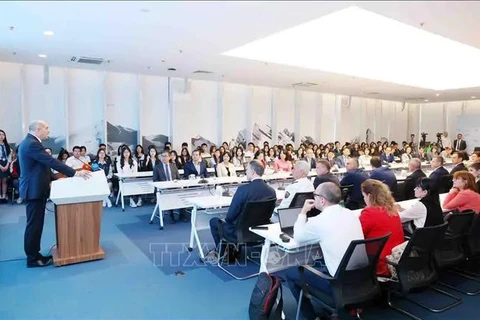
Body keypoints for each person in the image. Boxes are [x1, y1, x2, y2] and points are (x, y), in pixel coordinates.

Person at [286, 182, 365, 320]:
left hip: (338, 282)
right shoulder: (350, 214)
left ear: (322, 200)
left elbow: (298, 238)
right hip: (361, 278)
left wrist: (303, 212)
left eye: (315, 195)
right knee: (319, 262)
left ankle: (310, 316)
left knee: (291, 272)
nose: (314, 198)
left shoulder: (319, 221)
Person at [18, 120, 91, 268]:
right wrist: (74, 173)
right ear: (38, 129)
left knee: (36, 224)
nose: (48, 131)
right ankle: (32, 258)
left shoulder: (30, 142)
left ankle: (35, 254)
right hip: (34, 191)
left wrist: (56, 178)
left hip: (35, 189)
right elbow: (50, 161)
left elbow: (41, 167)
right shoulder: (32, 143)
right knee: (34, 225)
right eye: (46, 128)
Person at [207, 160, 276, 258]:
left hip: (241, 233)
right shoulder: (271, 191)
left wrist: (228, 220)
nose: (246, 172)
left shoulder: (243, 190)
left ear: (252, 172)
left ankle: (223, 253)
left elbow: (230, 217)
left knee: (214, 221)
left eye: (247, 170)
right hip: (261, 232)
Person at [359, 179, 404, 276]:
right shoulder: (392, 209)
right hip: (397, 258)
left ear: (369, 196)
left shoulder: (369, 213)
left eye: (364, 196)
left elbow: (358, 235)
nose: (364, 199)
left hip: (381, 263)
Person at [152, 150, 186, 223]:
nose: (164, 158)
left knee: (183, 194)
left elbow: (178, 178)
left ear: (170, 157)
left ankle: (182, 214)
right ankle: (171, 215)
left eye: (166, 156)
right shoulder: (157, 167)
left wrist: (177, 183)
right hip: (164, 189)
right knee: (169, 196)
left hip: (174, 187)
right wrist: (163, 185)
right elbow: (155, 180)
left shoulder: (173, 166)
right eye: (162, 156)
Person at [0, 129, 11, 202]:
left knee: (4, 181)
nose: (1, 136)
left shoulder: (7, 145)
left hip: (5, 163)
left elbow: (9, 156)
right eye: (0, 135)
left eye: (3, 135)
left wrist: (7, 165)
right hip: (0, 163)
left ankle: (4, 195)